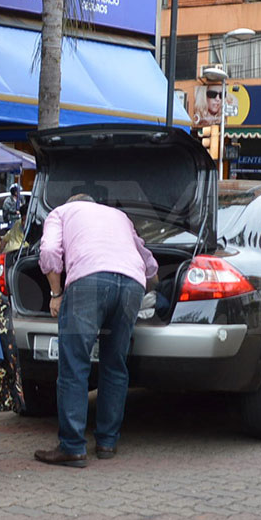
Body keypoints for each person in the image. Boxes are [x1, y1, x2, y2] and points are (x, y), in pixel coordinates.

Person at [34, 194, 158, 468]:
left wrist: (56, 294)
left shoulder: (62, 212)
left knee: (75, 364)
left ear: (72, 202)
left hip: (89, 280)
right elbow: (148, 263)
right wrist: (151, 292)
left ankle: (72, 447)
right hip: (131, 282)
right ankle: (107, 442)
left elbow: (50, 252)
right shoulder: (119, 216)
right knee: (115, 363)